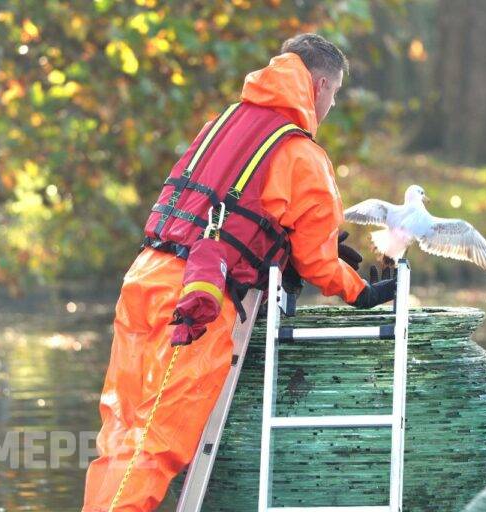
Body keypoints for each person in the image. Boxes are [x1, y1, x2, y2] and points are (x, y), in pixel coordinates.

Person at [81, 33, 397, 512]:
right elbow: (316, 261)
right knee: (157, 441)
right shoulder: (301, 154)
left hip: (145, 278)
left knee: (121, 430)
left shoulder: (220, 125)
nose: (331, 105)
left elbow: (228, 210)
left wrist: (288, 244)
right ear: (319, 85)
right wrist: (361, 291)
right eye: (333, 93)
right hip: (197, 301)